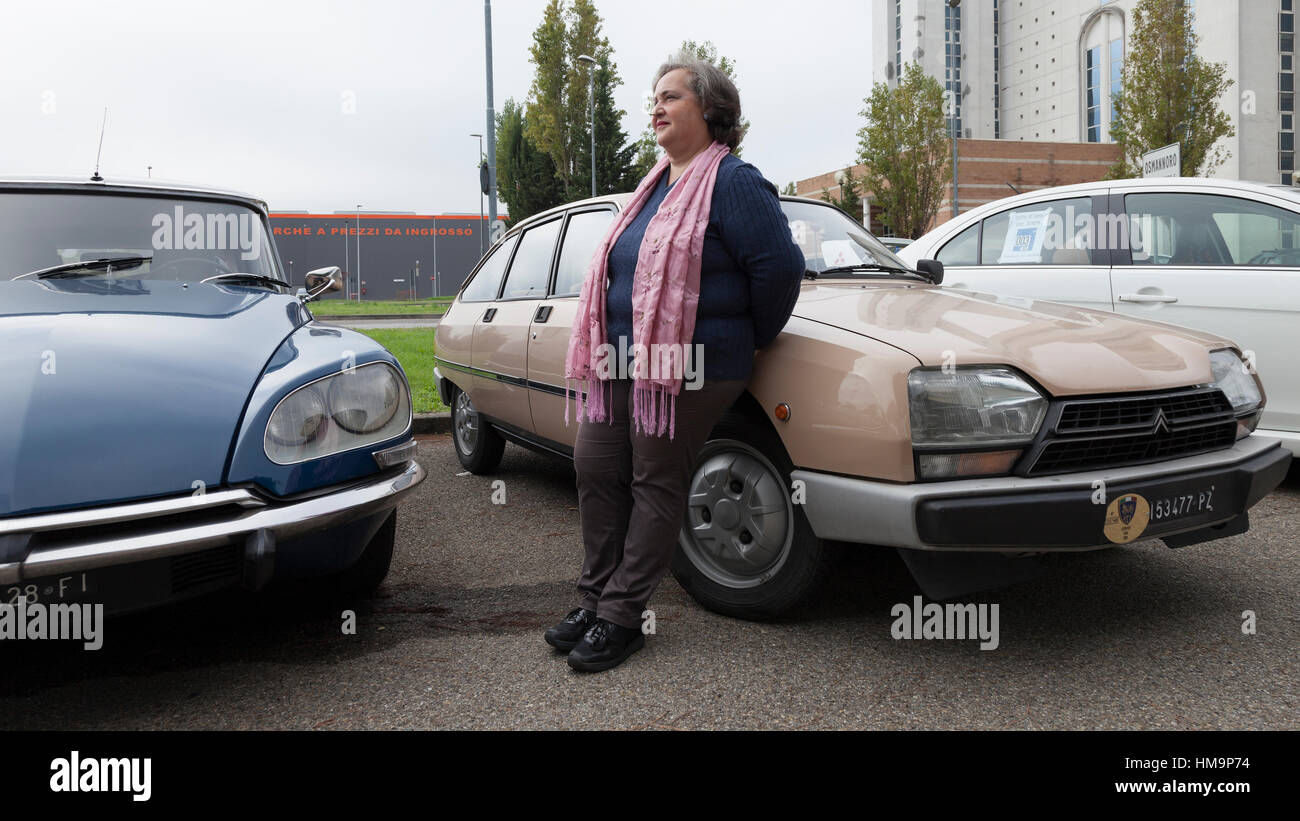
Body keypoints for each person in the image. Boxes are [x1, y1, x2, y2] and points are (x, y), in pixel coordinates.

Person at [545, 52, 805, 672]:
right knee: (595, 466)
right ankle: (594, 600)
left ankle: (621, 617)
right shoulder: (653, 187)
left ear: (711, 110)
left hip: (688, 364)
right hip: (620, 359)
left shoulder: (734, 181)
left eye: (670, 97)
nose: (655, 107)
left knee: (654, 479)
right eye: (653, 99)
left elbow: (779, 270)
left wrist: (752, 337)